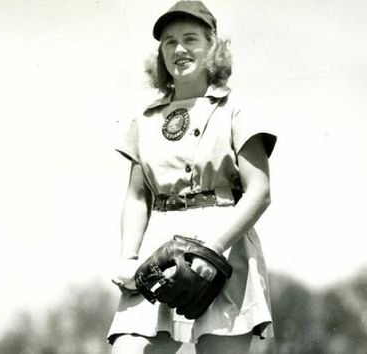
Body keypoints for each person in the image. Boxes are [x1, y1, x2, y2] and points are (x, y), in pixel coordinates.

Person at [108, 1, 277, 353]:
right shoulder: (146, 120)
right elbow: (138, 197)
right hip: (157, 250)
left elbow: (259, 191)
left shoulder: (236, 109)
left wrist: (213, 251)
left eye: (190, 39)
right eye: (169, 42)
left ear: (211, 46)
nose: (179, 50)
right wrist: (128, 257)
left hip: (225, 250)